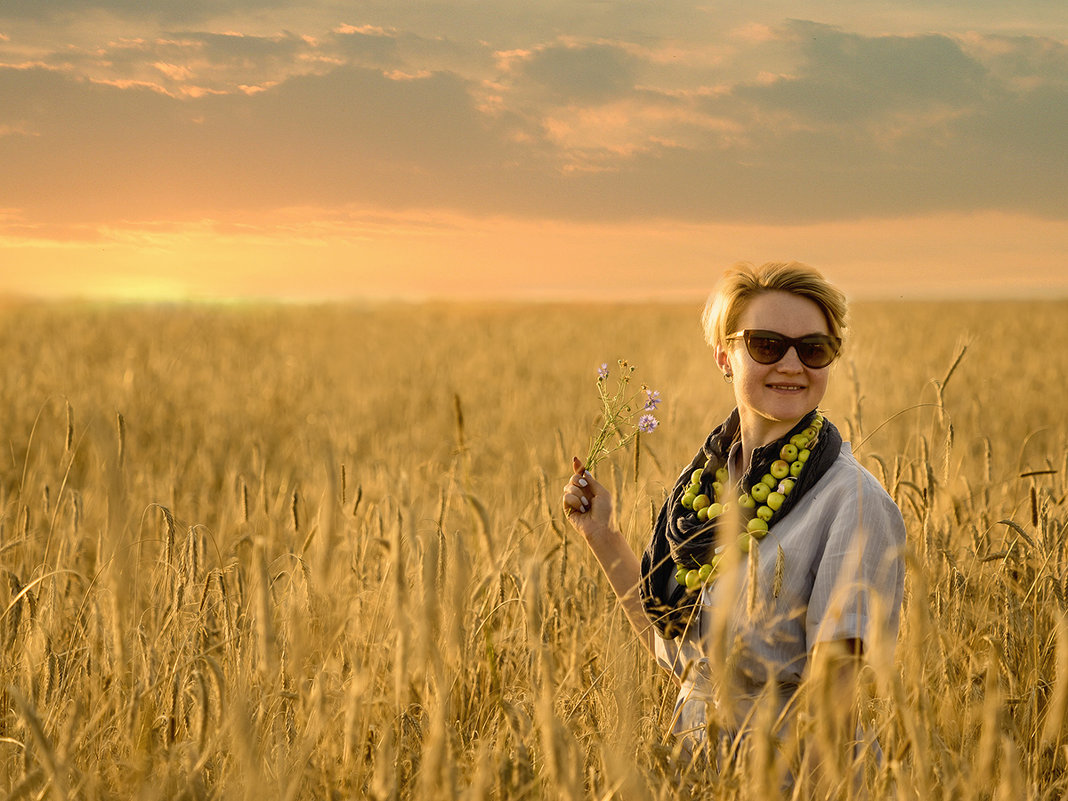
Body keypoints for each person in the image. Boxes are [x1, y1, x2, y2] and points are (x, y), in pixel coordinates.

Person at [561, 262, 905, 784]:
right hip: (697, 771)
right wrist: (603, 537)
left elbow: (832, 714)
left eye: (814, 349)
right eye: (767, 344)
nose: (792, 364)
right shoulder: (704, 488)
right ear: (725, 355)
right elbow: (679, 655)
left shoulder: (853, 504)